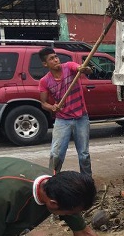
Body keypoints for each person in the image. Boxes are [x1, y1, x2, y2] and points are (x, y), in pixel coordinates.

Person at [38, 47, 93, 177]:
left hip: (81, 118)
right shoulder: (45, 81)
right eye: (51, 59)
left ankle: (87, 181)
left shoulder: (69, 67)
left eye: (56, 56)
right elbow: (43, 103)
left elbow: (82, 68)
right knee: (56, 154)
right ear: (45, 64)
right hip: (62, 120)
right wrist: (52, 107)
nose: (56, 59)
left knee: (84, 154)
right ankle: (52, 180)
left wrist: (83, 69)